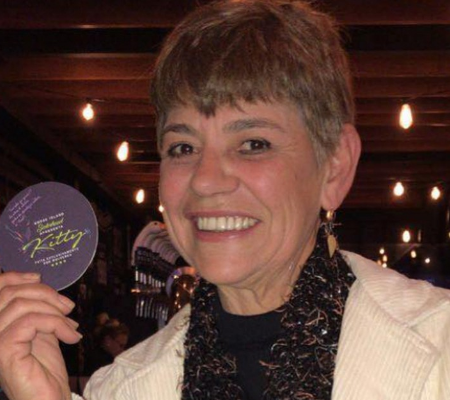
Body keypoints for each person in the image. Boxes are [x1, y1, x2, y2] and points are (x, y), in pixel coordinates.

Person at [0, 1, 449, 399]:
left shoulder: (440, 345)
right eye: (183, 147)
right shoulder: (120, 387)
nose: (206, 181)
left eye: (253, 143)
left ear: (334, 166)